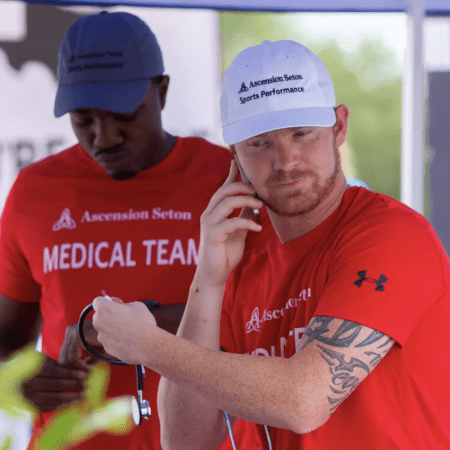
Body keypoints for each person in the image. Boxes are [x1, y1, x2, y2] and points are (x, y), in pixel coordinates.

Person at [91, 39, 450, 449]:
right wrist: (207, 281)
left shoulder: (392, 235)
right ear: (235, 156)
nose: (285, 161)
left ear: (339, 126)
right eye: (260, 144)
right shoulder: (240, 258)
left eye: (302, 134)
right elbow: (186, 440)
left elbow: (305, 401)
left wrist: (149, 345)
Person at [0, 11, 265, 450]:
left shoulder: (226, 177)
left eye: (124, 114)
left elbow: (265, 321)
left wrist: (121, 327)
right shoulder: (34, 192)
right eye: (83, 119)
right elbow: (8, 337)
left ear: (160, 89)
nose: (104, 138)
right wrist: (19, 379)